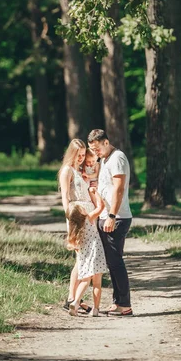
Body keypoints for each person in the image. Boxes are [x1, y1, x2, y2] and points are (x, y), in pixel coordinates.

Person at [88, 128, 133, 316]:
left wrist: (112, 215)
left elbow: (119, 188)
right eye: (92, 149)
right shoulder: (105, 159)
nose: (95, 153)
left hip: (117, 217)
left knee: (116, 261)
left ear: (106, 142)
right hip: (106, 215)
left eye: (97, 148)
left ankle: (125, 304)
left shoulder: (118, 158)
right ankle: (117, 302)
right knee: (112, 262)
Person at [58, 138, 92, 313]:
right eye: (78, 155)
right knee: (80, 259)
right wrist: (69, 217)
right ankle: (71, 298)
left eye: (83, 155)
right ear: (71, 154)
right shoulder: (67, 171)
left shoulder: (79, 171)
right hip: (75, 215)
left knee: (84, 258)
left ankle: (77, 297)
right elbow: (65, 195)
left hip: (86, 215)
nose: (81, 158)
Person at [66, 189, 106, 316]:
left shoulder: (75, 230)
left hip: (84, 256)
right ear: (82, 214)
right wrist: (95, 193)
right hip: (96, 251)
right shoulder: (89, 218)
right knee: (97, 283)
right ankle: (95, 309)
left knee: (85, 280)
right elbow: (101, 207)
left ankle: (75, 302)